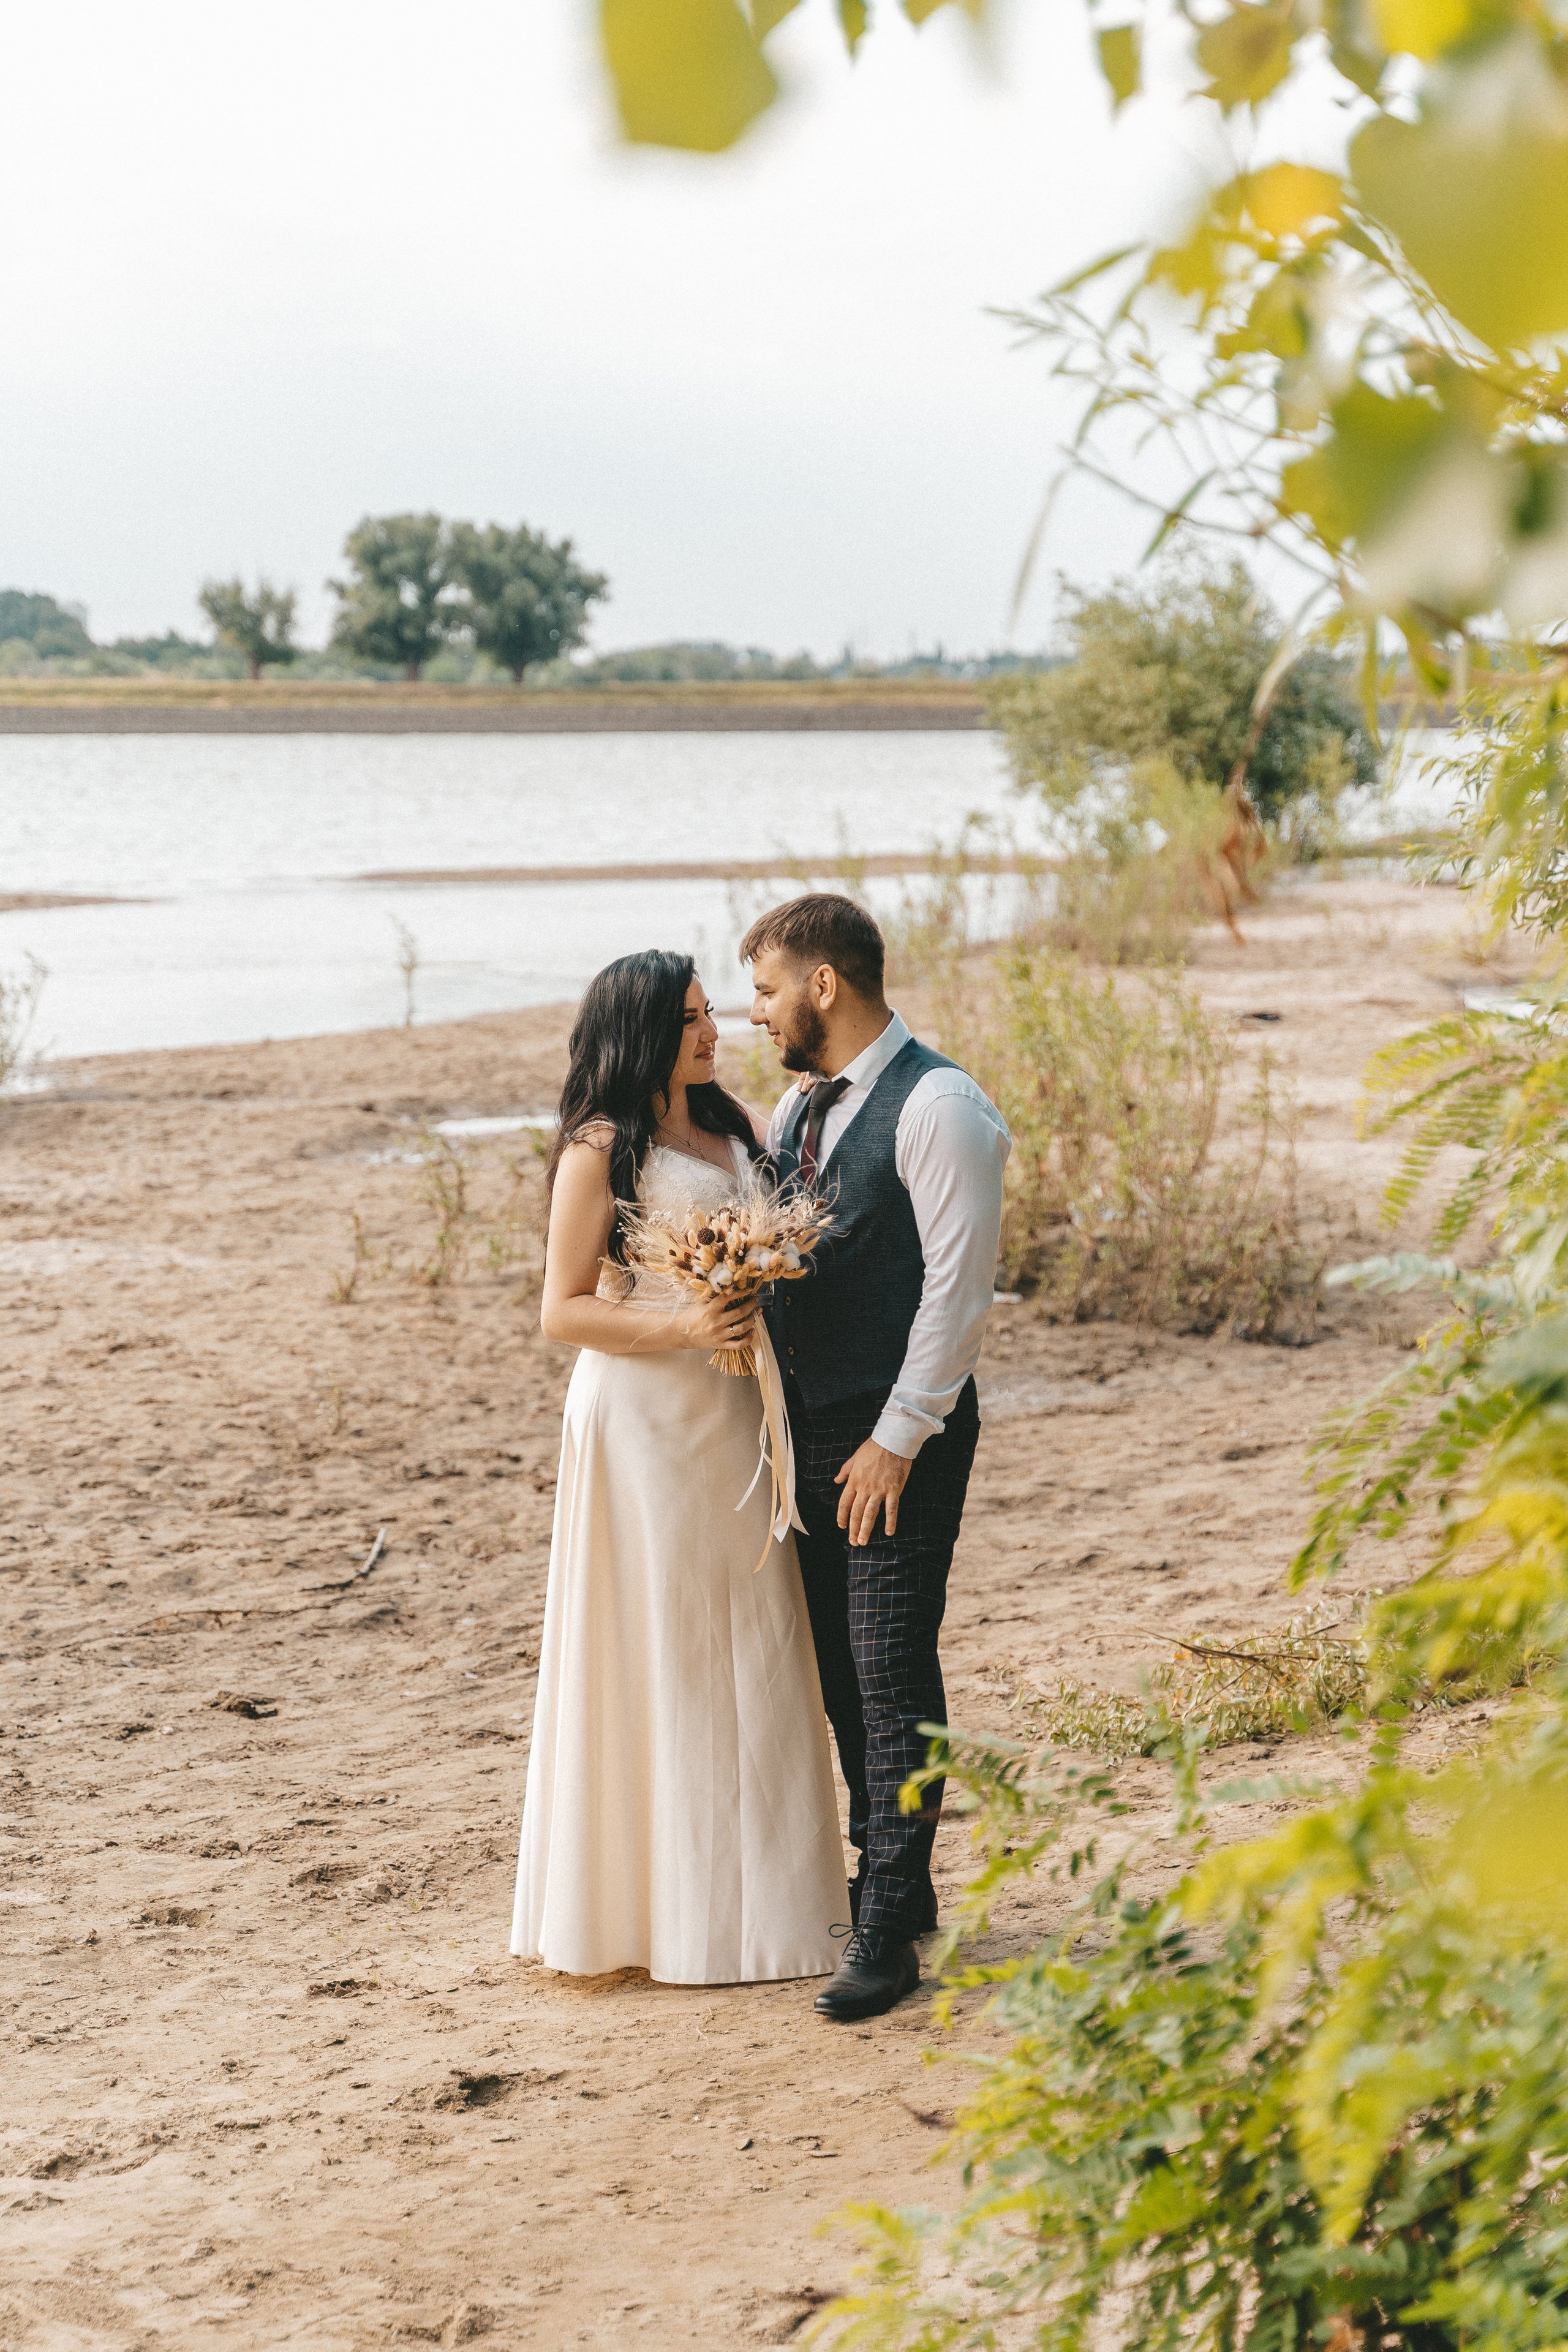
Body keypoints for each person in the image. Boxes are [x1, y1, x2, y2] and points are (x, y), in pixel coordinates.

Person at [510, 948, 847, 1985]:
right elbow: (562, 1309)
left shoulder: (736, 1123)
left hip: (738, 1406)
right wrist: (688, 1325)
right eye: (691, 1018)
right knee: (665, 1633)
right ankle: (659, 1916)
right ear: (643, 1031)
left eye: (710, 1013)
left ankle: (776, 1910)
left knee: (759, 1626)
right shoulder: (600, 1148)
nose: (712, 1032)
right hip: (646, 1421)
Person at [742, 895, 1010, 2022]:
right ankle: (900, 1883)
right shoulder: (797, 1109)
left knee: (891, 1667)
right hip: (809, 1438)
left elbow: (958, 1290)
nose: (756, 1013)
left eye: (766, 991)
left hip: (900, 1440)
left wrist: (897, 1440)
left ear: (824, 985)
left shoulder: (940, 1106)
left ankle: (888, 1928)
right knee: (844, 1678)